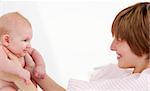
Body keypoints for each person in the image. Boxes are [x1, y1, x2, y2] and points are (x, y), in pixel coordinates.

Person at [1, 2, 150, 91]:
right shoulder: (127, 75)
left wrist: (20, 79)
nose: (112, 47)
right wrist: (35, 72)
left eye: (119, 39)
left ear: (142, 41)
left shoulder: (141, 85)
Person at [0, 12, 46, 90]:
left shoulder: (25, 50)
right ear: (6, 40)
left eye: (30, 41)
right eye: (25, 40)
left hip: (25, 85)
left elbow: (35, 53)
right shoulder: (1, 49)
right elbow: (2, 63)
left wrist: (41, 66)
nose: (29, 45)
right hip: (7, 86)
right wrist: (19, 71)